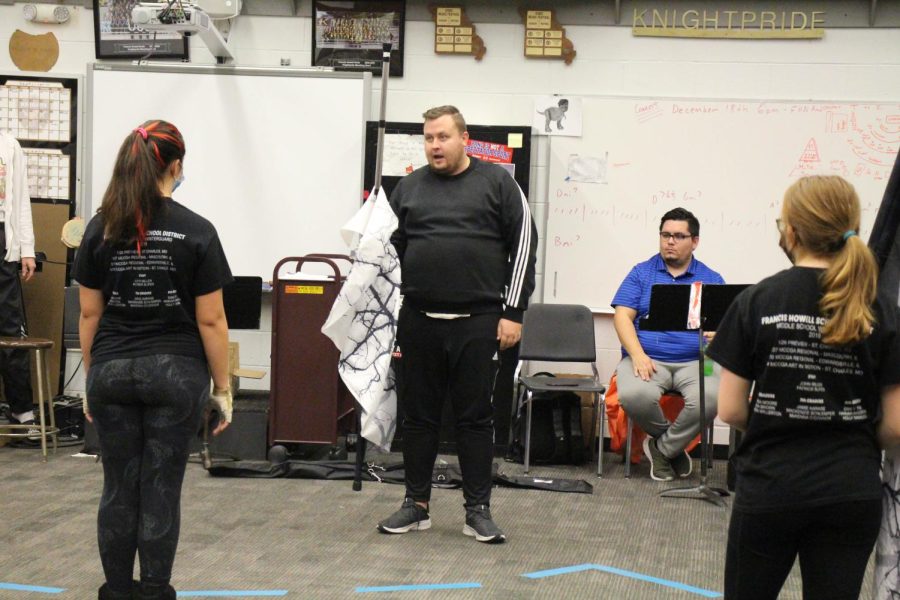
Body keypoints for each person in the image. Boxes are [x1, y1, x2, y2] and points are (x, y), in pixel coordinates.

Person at [706, 175, 900, 600]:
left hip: (771, 486)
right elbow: (895, 426)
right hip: (850, 490)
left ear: (790, 230)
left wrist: (779, 421)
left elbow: (731, 410)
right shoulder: (880, 307)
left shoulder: (758, 300)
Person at [74, 120, 234, 600]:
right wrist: (222, 389)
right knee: (161, 486)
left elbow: (88, 313)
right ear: (176, 166)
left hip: (112, 373)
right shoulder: (197, 231)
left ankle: (117, 592)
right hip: (175, 376)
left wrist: (92, 380)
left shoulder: (100, 228)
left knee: (119, 486)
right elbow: (212, 322)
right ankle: (156, 591)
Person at [378, 105, 537, 544]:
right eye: (428, 138)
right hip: (419, 320)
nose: (434, 145)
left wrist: (513, 312)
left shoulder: (499, 184)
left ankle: (477, 511)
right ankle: (416, 505)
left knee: (474, 419)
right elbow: (389, 253)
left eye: (443, 137)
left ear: (464, 138)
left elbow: (524, 245)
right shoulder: (407, 188)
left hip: (480, 321)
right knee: (419, 418)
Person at [611, 207, 724, 481]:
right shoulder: (641, 273)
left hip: (700, 360)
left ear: (694, 241)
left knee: (713, 397)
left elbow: (724, 326)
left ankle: (661, 448)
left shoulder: (711, 279)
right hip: (646, 357)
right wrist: (637, 355)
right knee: (634, 395)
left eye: (678, 236)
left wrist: (717, 334)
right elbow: (622, 317)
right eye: (665, 235)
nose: (670, 241)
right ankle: (671, 448)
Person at [0, 131, 39, 437]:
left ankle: (21, 409)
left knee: (11, 329)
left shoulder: (8, 145)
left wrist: (26, 249)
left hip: (4, 242)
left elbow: (20, 200)